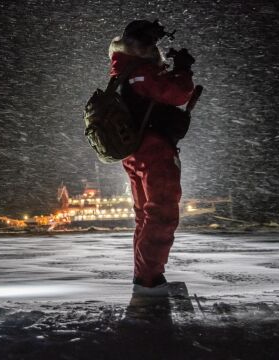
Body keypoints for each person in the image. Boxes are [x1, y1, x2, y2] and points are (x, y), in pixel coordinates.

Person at [108, 20, 196, 295]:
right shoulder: (142, 73)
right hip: (153, 151)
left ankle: (145, 277)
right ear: (143, 45)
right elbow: (179, 93)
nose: (155, 49)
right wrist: (182, 69)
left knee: (145, 215)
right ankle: (149, 280)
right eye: (152, 43)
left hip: (134, 151)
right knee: (161, 213)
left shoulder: (124, 70)